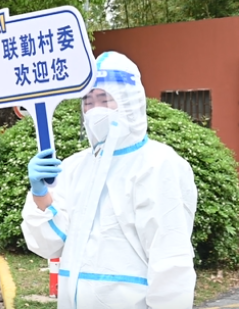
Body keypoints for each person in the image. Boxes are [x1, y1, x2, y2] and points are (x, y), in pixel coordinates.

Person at [20, 52, 197, 308]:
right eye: (88, 101)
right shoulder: (75, 167)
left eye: (104, 99)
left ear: (129, 102)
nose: (95, 109)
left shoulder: (158, 165)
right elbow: (51, 243)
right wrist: (40, 193)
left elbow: (171, 261)